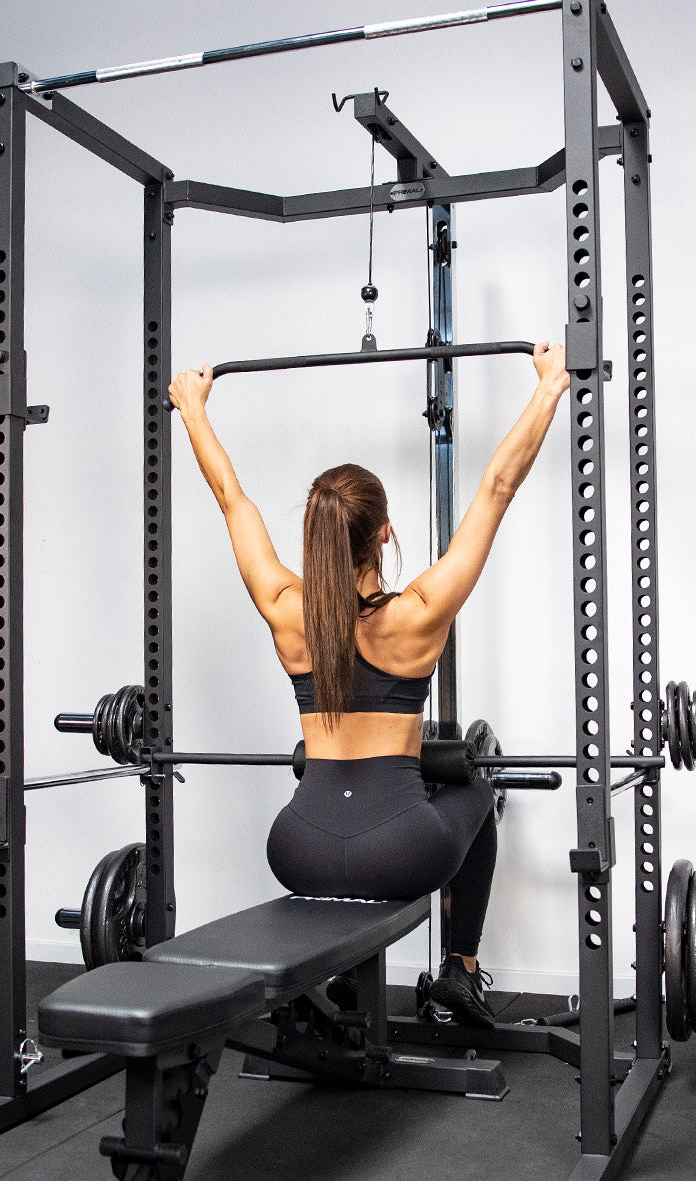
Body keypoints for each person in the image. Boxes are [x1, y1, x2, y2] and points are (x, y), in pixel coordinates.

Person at [168, 343, 570, 1025]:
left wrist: (194, 410)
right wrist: (549, 387)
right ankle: (461, 972)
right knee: (473, 778)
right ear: (383, 533)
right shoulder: (416, 616)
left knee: (435, 783)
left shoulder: (284, 610)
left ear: (313, 536)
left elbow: (230, 499)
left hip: (297, 848)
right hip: (401, 851)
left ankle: (352, 987)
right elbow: (497, 488)